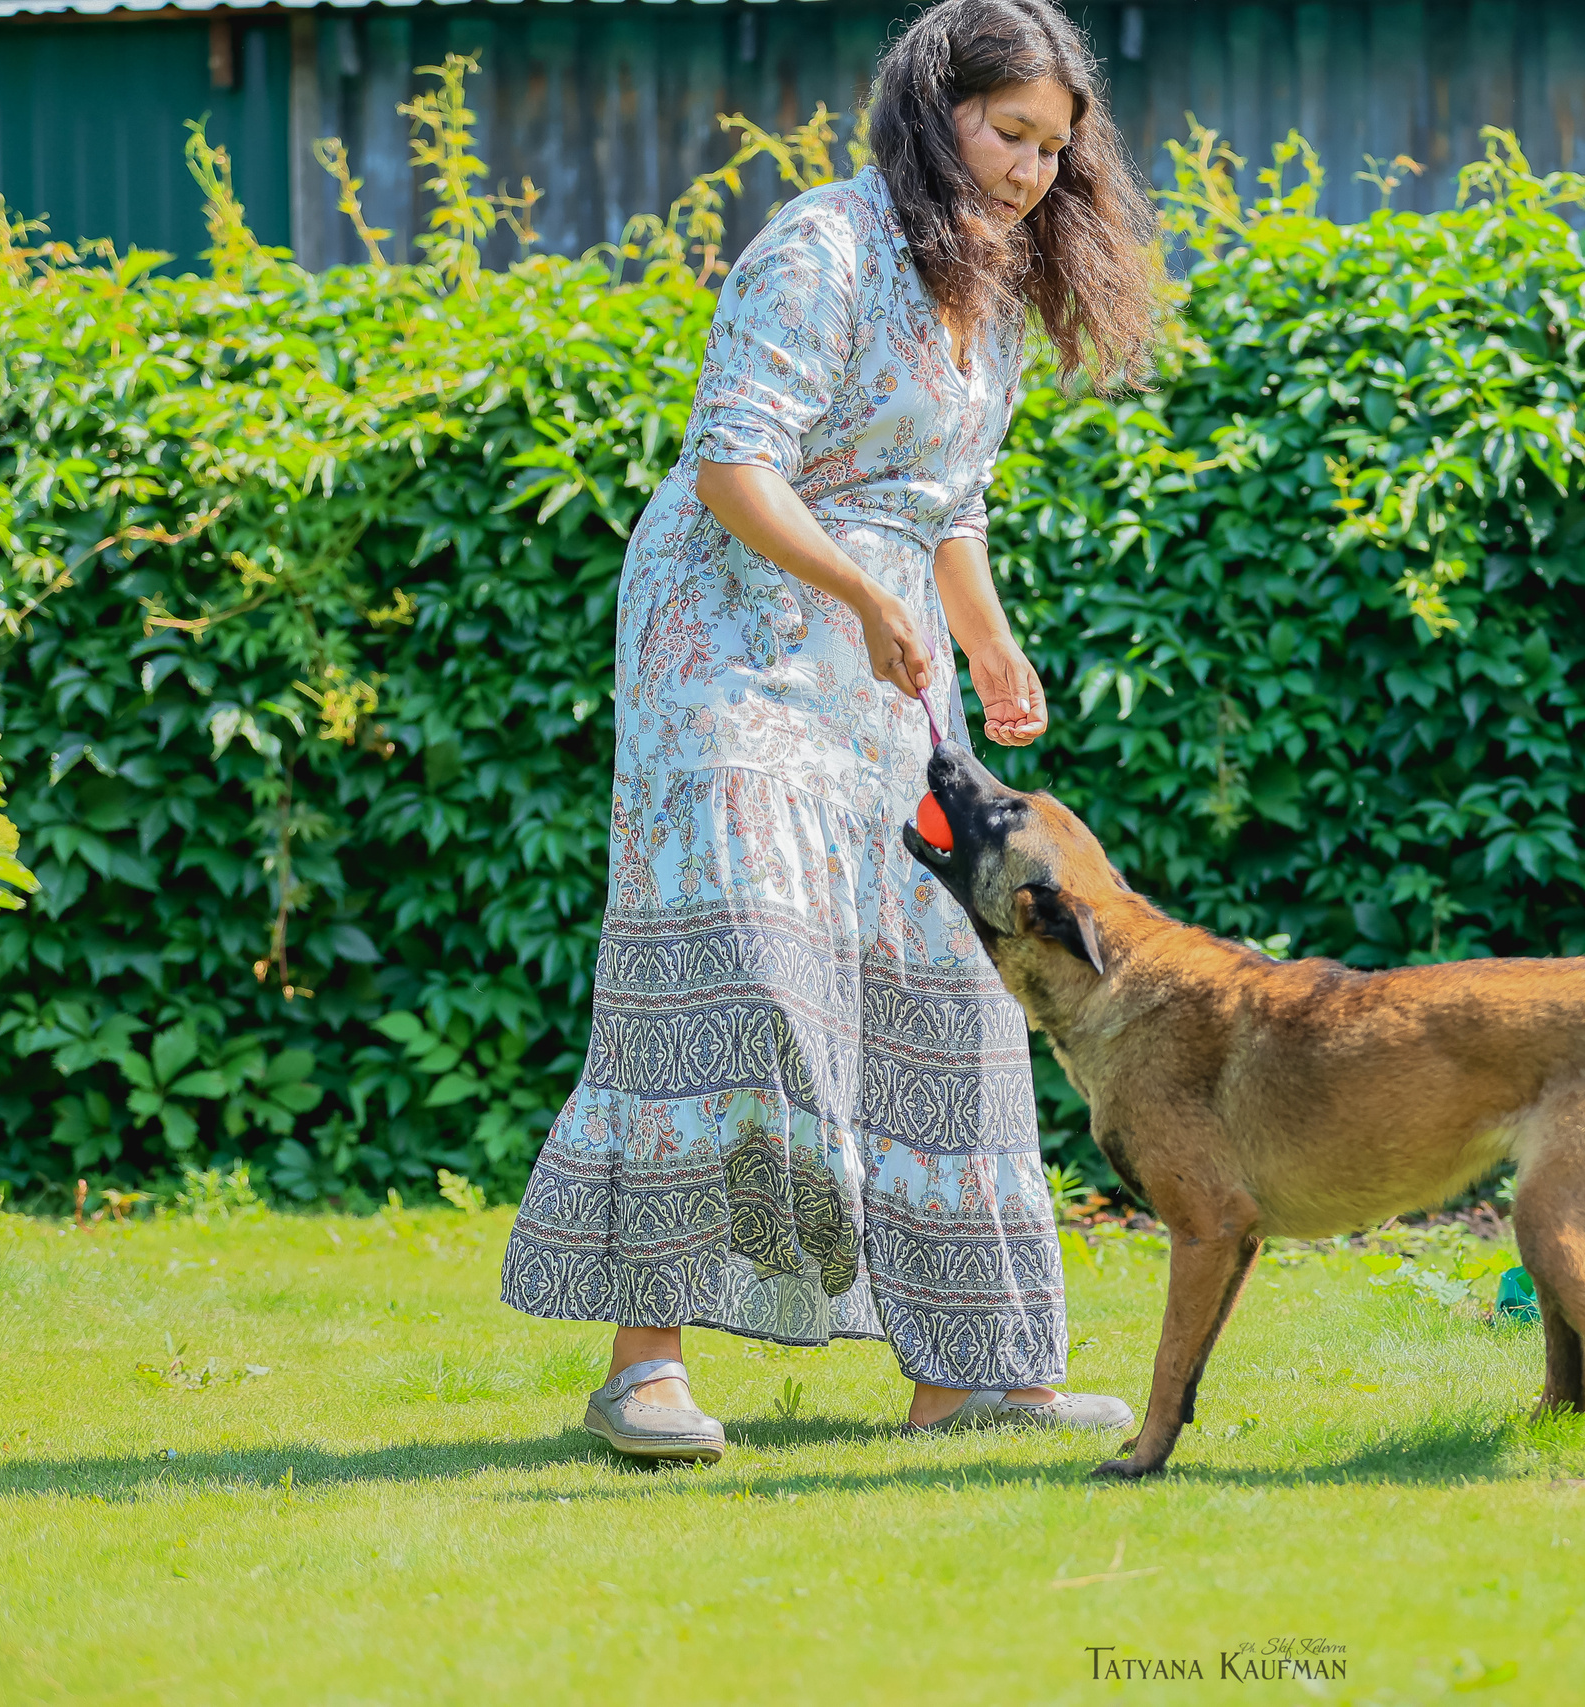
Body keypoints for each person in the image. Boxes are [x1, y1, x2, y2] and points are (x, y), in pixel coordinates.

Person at [498, 0, 1161, 1462]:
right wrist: (864, 588)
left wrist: (985, 637)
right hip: (727, 651)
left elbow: (947, 501)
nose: (1033, 169)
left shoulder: (984, 284)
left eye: (1056, 147)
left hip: (884, 659)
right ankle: (644, 1372)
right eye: (1008, 134)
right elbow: (735, 461)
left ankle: (972, 1371)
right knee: (743, 959)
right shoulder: (821, 246)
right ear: (935, 113)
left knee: (948, 974)